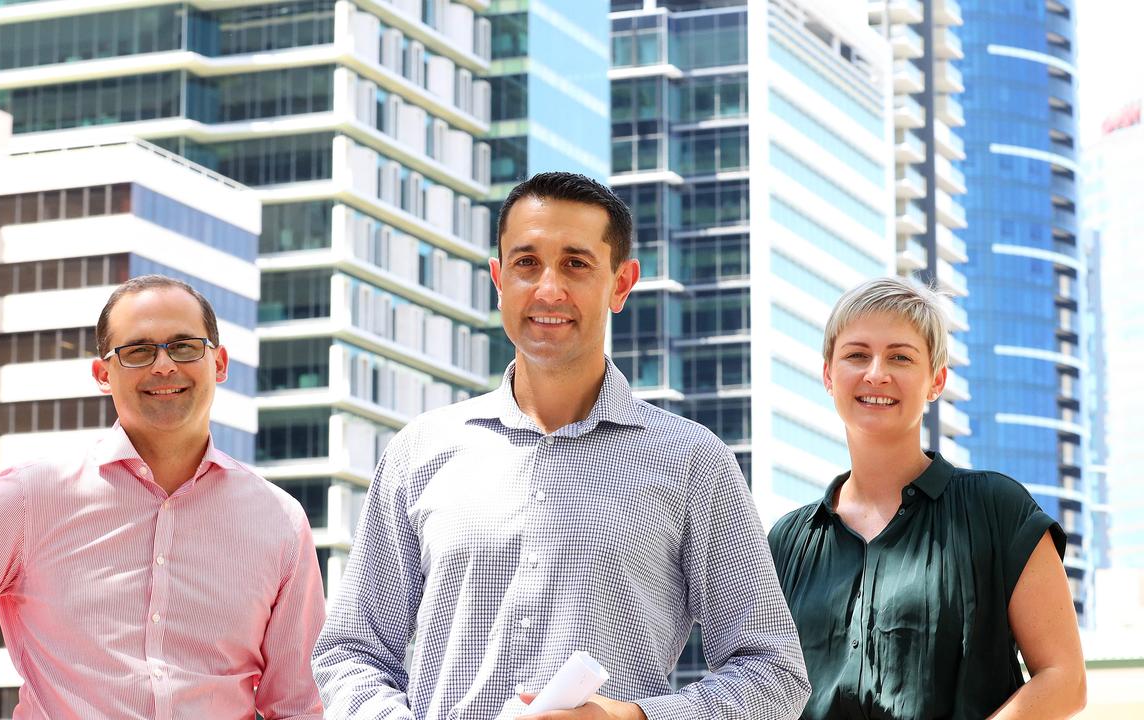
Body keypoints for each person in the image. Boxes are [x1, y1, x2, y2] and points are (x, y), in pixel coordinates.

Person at [312, 172, 810, 720]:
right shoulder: (420, 451)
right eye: (527, 263)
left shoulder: (693, 463)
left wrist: (633, 718)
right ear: (499, 279)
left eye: (576, 263)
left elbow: (774, 674)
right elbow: (350, 653)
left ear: (621, 284)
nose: (548, 289)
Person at [0, 275, 326, 719]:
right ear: (102, 374)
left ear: (219, 363)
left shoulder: (279, 519)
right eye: (138, 351)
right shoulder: (30, 498)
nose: (164, 366)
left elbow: (298, 705)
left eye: (185, 346)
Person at [768, 277, 1087, 719]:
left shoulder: (998, 509)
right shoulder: (787, 542)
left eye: (900, 356)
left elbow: (1064, 679)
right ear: (828, 374)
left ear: (936, 380)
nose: (876, 372)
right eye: (857, 355)